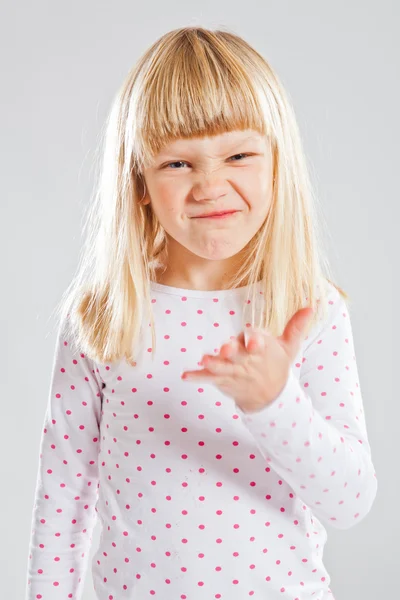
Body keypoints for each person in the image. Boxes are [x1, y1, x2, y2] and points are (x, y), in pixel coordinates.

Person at [25, 26, 378, 600]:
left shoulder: (308, 310)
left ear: (275, 164)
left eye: (239, 154)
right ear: (139, 180)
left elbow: (349, 502)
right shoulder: (103, 315)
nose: (211, 186)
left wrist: (274, 403)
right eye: (177, 164)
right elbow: (62, 495)